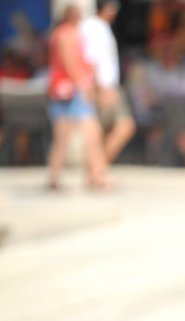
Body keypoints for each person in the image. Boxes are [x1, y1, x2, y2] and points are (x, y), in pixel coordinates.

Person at [46, 4, 109, 190]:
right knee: (92, 133)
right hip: (72, 90)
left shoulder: (60, 33)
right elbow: (70, 63)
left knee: (62, 138)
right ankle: (96, 174)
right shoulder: (67, 34)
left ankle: (54, 177)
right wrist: (85, 85)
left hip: (61, 90)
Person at [80, 0, 136, 165]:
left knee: (104, 129)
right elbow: (91, 60)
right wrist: (100, 87)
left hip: (107, 86)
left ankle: (96, 170)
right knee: (123, 126)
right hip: (104, 87)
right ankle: (98, 169)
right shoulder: (93, 28)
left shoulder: (100, 27)